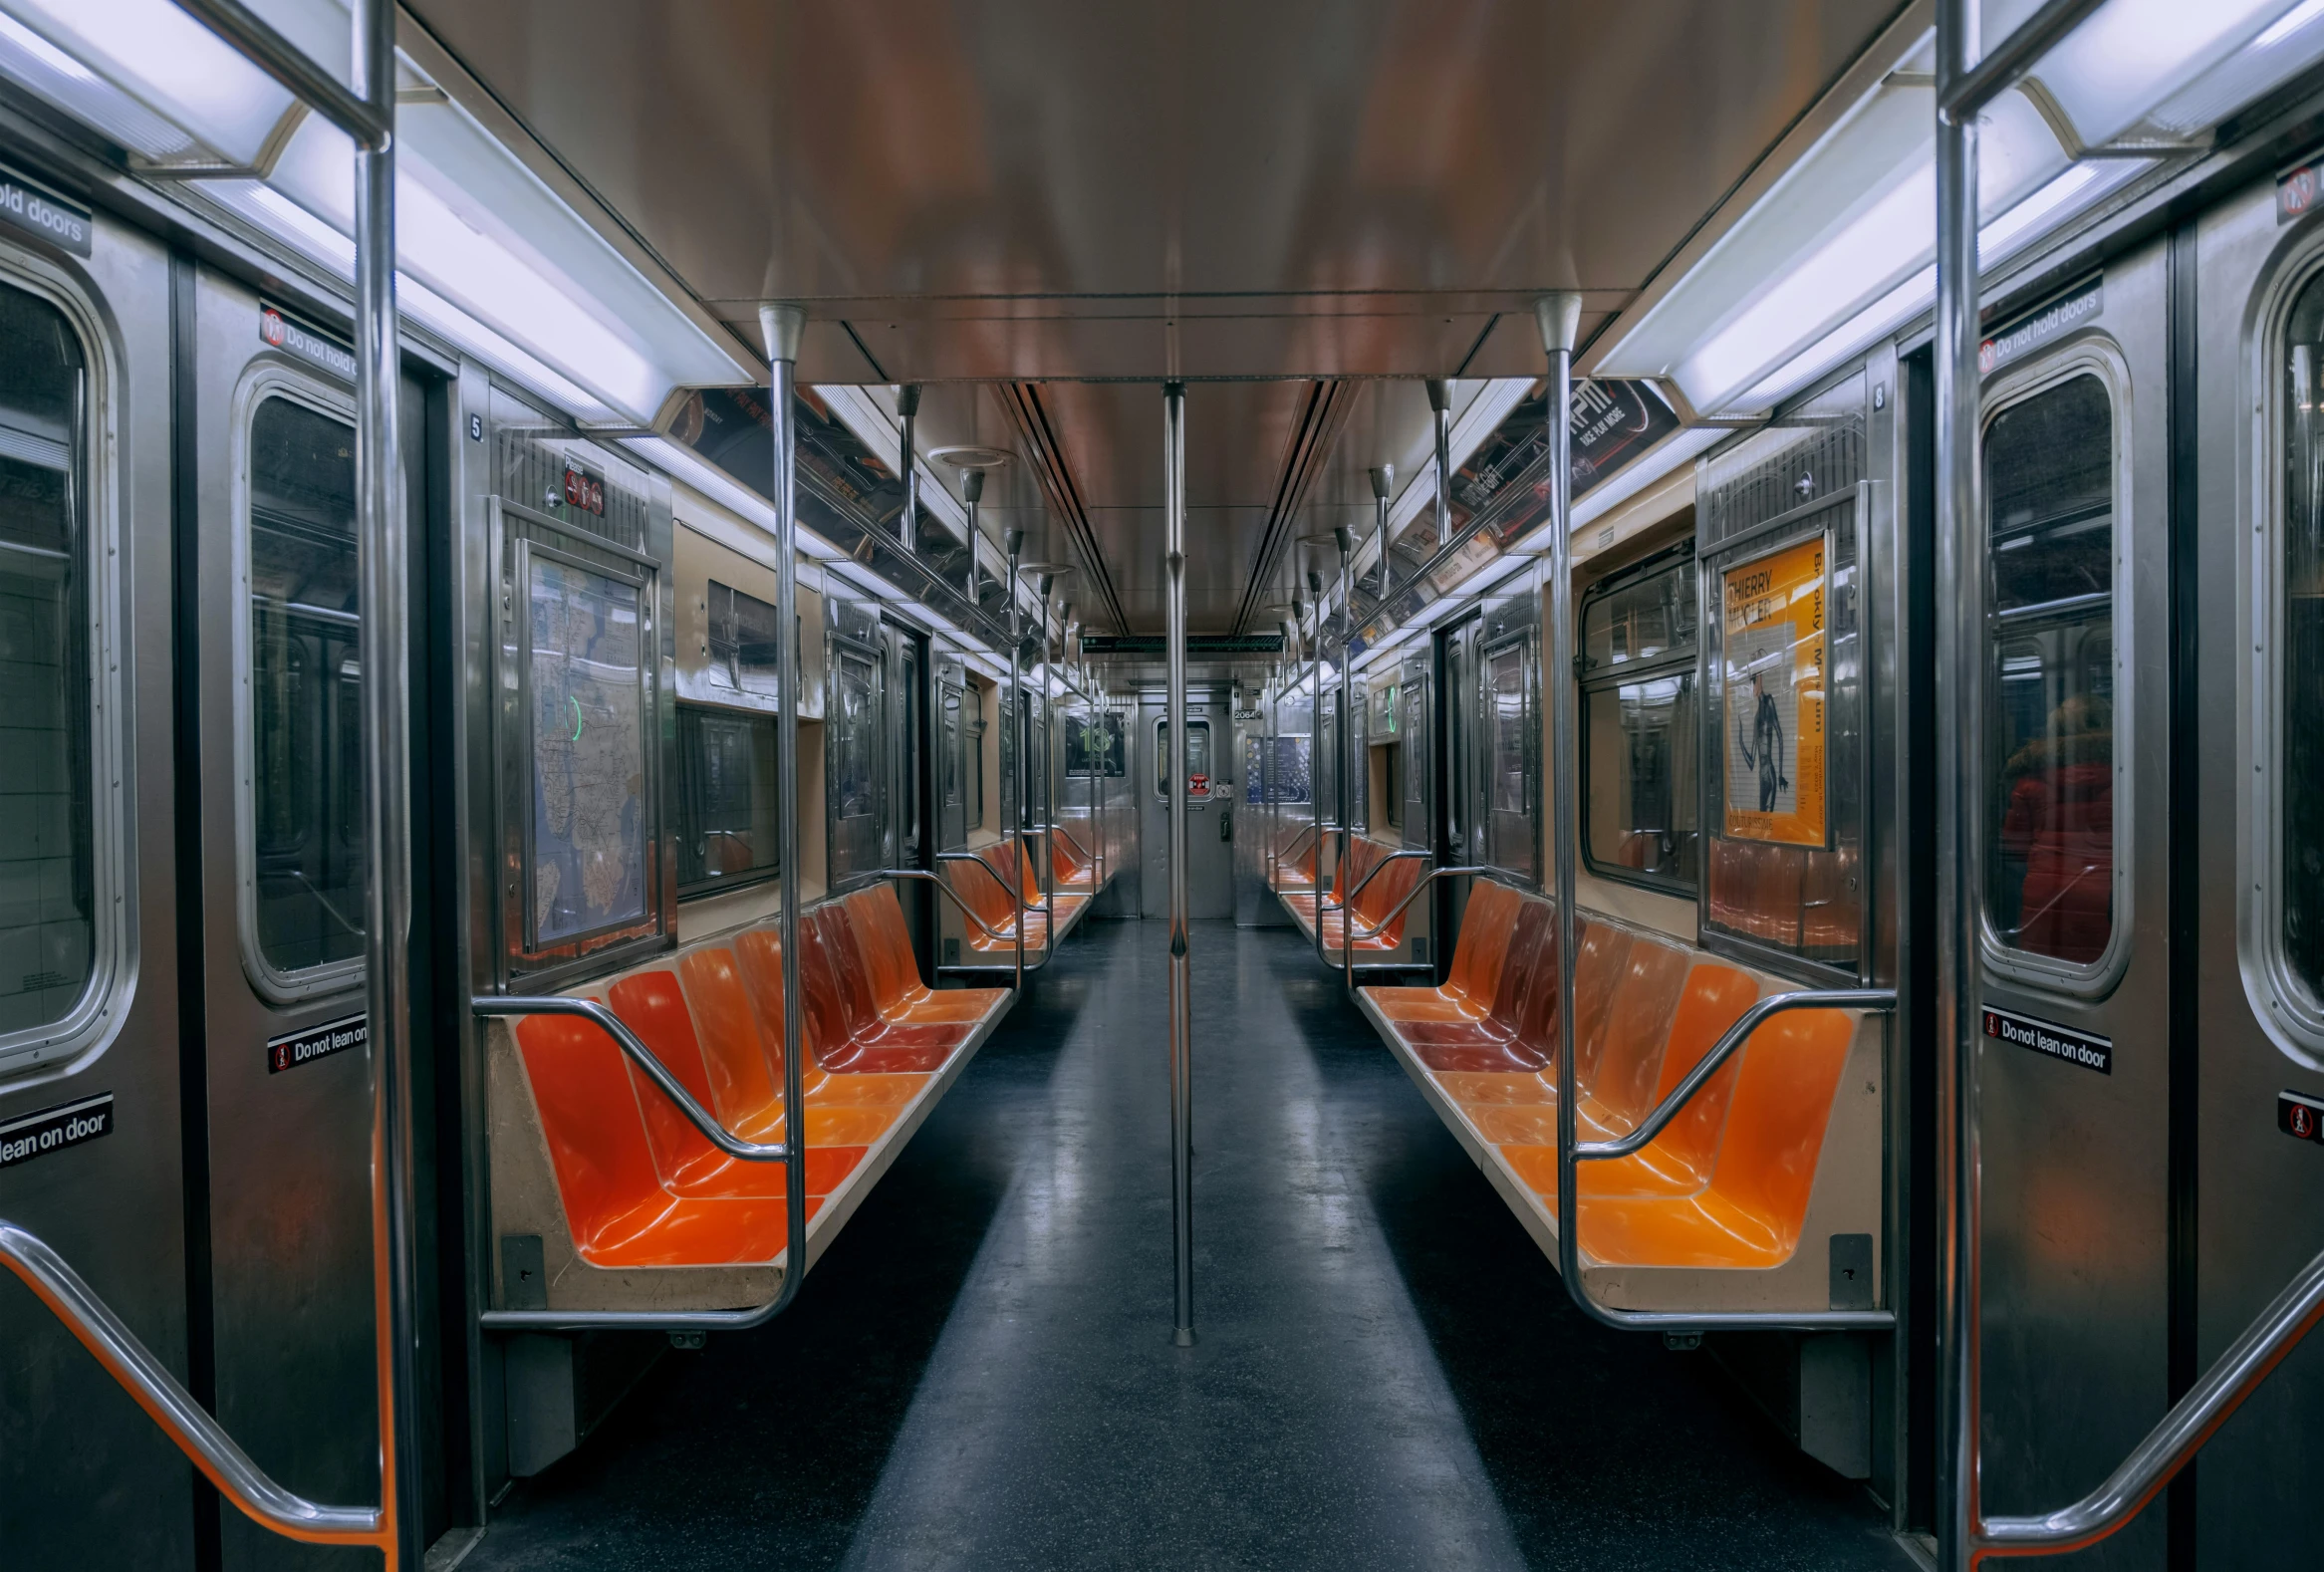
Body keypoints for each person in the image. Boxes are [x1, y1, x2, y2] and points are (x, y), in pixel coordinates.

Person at [1998, 691, 2113, 963]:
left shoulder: (2029, 781)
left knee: (2045, 970)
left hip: (2045, 892)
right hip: (2106, 892)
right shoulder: (2125, 774)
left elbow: (2014, 844)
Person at [1735, 671, 1788, 814]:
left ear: (1758, 681)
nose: (1752, 689)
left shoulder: (1769, 701)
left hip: (1769, 774)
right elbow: (1752, 762)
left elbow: (1780, 736)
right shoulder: (1756, 718)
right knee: (1763, 821)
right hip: (1761, 777)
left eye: (1752, 684)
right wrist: (1740, 739)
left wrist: (1781, 774)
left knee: (1768, 821)